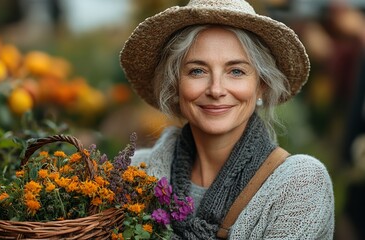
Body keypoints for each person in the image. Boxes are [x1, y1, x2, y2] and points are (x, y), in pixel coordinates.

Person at [119, 0, 335, 239]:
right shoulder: (134, 173)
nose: (216, 89)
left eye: (236, 71)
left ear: (261, 86)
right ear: (175, 85)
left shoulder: (299, 184)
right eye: (197, 71)